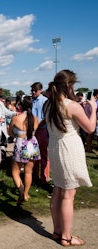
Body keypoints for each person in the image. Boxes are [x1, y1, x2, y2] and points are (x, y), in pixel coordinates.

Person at [44, 70, 96, 246]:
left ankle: (58, 231)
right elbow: (89, 128)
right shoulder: (72, 106)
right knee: (68, 194)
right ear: (70, 85)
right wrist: (93, 108)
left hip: (55, 148)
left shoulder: (48, 104)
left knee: (58, 190)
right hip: (69, 149)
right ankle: (66, 236)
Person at [9, 96, 40, 205]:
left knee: (15, 171)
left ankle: (21, 192)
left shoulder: (16, 118)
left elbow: (10, 133)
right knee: (28, 172)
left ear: (20, 105)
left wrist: (16, 135)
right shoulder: (35, 118)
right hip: (33, 144)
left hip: (21, 143)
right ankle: (26, 194)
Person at [30, 82, 50, 188]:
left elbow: (45, 118)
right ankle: (35, 175)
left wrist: (36, 127)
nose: (33, 92)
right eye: (32, 90)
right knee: (34, 153)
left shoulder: (44, 101)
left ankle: (44, 177)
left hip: (42, 129)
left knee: (43, 153)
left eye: (35, 90)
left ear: (40, 90)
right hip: (34, 129)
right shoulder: (32, 100)